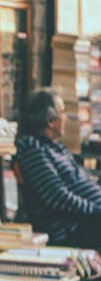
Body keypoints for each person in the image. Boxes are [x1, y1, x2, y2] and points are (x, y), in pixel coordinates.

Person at [15, 88, 101, 248]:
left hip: (88, 219)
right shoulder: (32, 148)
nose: (66, 118)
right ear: (50, 120)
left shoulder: (56, 148)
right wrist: (95, 211)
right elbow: (57, 197)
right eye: (62, 112)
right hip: (72, 228)